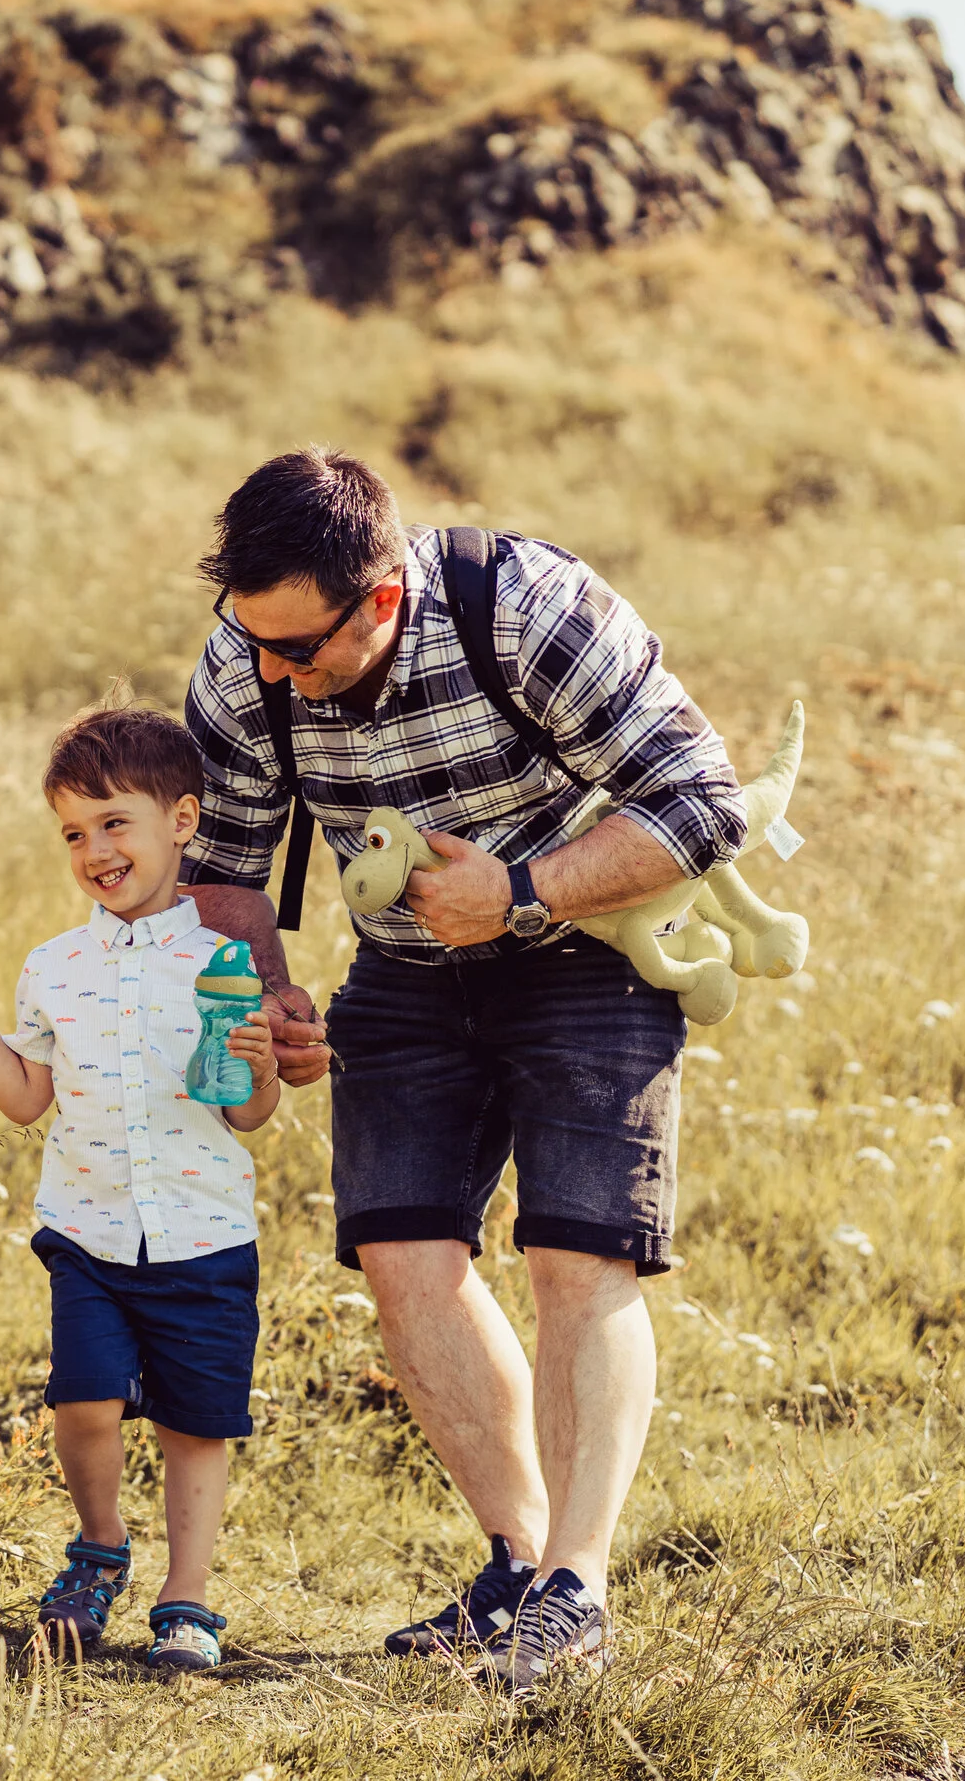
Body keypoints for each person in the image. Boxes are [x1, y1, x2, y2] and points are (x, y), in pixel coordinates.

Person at [174, 448, 745, 1695]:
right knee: (403, 1256)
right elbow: (225, 867)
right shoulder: (245, 660)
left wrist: (520, 890)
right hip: (404, 974)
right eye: (251, 639)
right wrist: (265, 992)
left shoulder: (527, 610)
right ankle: (519, 1569)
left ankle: (579, 1594)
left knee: (575, 1259)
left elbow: (704, 801)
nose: (271, 670)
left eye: (298, 649)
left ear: (378, 598)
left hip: (588, 950)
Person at [0, 706, 280, 1673]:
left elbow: (245, 1115)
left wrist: (258, 1068)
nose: (95, 849)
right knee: (83, 1402)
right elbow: (24, 1098)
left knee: (195, 1425)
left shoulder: (223, 961)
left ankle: (188, 1598)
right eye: (74, 832)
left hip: (203, 1233)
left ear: (183, 821)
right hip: (87, 1232)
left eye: (116, 821)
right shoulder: (55, 966)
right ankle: (100, 1545)